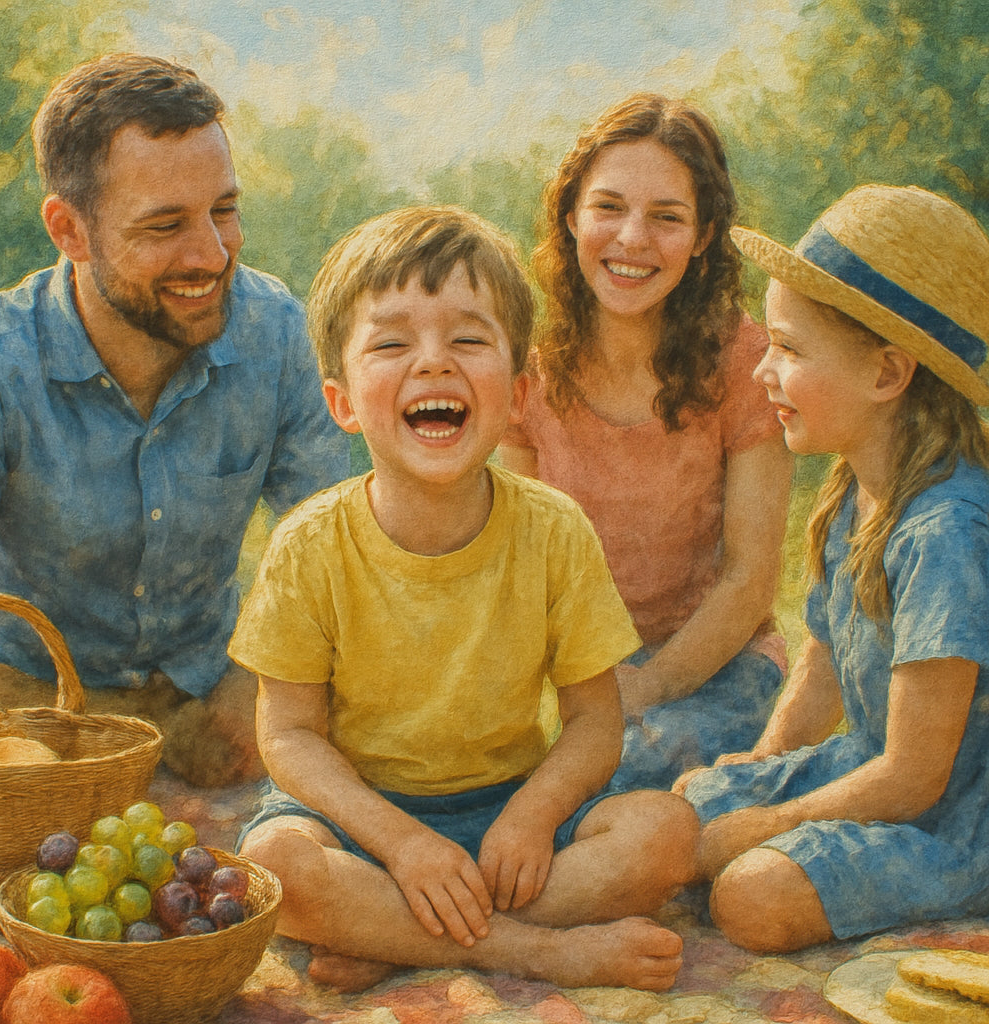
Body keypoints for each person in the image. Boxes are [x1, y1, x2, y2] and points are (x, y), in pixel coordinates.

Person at [230, 205, 698, 993]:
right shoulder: (309, 545)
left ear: (517, 394)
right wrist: (404, 845)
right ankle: (524, 949)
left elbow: (594, 722)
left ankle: (398, 935)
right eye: (392, 342)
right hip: (361, 822)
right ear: (342, 402)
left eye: (468, 339)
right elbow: (290, 737)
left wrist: (535, 814)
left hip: (504, 828)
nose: (433, 364)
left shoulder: (554, 529)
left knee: (667, 834)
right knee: (270, 869)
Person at [0, 54, 348, 787]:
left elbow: (333, 555)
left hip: (221, 714)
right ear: (69, 231)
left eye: (224, 210)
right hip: (28, 728)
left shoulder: (276, 333)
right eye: (165, 225)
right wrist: (139, 729)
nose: (211, 252)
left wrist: (251, 684)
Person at [665, 184, 989, 953]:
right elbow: (823, 661)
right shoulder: (857, 486)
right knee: (683, 807)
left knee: (752, 895)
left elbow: (915, 777)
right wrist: (769, 762)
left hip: (956, 817)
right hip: (869, 770)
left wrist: (768, 826)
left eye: (789, 349)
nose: (760, 374)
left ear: (887, 375)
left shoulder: (945, 531)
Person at [498, 93, 793, 790]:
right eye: (608, 207)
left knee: (609, 782)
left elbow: (750, 582)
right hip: (584, 681)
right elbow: (514, 556)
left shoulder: (744, 361)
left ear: (703, 236)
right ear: (570, 215)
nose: (632, 238)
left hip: (717, 671)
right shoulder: (531, 369)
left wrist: (649, 685)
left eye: (667, 217)